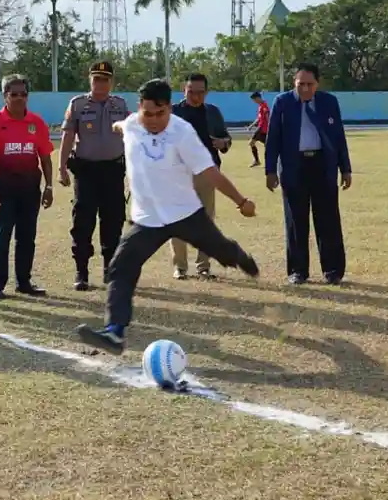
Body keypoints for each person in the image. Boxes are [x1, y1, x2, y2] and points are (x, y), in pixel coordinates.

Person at [74, 79, 260, 354]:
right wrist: (118, 126)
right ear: (140, 108)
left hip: (184, 213)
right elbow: (122, 126)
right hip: (147, 220)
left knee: (220, 250)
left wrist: (241, 201)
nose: (153, 120)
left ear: (169, 109)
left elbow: (209, 172)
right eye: (147, 113)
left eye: (160, 114)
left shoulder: (182, 133)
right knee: (121, 267)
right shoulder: (133, 123)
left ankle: (238, 256)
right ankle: (114, 332)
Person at [265, 63, 352, 285]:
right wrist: (270, 170)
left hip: (323, 165)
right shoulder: (282, 103)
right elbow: (273, 137)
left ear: (317, 84)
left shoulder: (329, 102)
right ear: (294, 83)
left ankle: (332, 270)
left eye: (309, 84)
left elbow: (338, 137)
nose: (304, 88)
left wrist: (345, 168)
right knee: (296, 220)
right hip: (294, 166)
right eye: (300, 84)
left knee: (328, 219)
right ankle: (298, 271)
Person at [0, 75, 54, 300]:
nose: (20, 98)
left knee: (27, 236)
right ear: (5, 96)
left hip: (30, 186)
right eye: (14, 94)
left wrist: (49, 186)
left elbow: (45, 157)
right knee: (2, 237)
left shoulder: (37, 123)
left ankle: (24, 282)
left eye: (24, 94)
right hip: (4, 186)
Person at [58, 61, 130, 290]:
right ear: (90, 80)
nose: (100, 83)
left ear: (111, 82)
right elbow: (68, 136)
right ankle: (81, 272)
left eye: (105, 79)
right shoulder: (78, 104)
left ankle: (111, 269)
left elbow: (129, 137)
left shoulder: (120, 105)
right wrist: (61, 168)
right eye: (96, 78)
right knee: (82, 222)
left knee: (113, 221)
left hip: (113, 171)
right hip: (86, 172)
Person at [169, 72, 232, 279]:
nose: (196, 96)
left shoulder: (213, 112)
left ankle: (203, 266)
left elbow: (226, 138)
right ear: (183, 90)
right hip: (178, 174)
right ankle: (180, 267)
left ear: (207, 92)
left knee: (206, 221)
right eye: (191, 92)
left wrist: (223, 143)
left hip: (207, 173)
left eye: (200, 92)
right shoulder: (172, 113)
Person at [247, 91, 269, 167]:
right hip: (262, 128)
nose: (254, 101)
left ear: (258, 98)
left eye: (254, 100)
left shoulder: (264, 106)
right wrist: (252, 125)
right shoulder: (260, 106)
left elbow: (267, 116)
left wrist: (270, 127)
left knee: (251, 143)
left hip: (262, 128)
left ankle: (257, 161)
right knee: (268, 145)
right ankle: (258, 161)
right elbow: (259, 118)